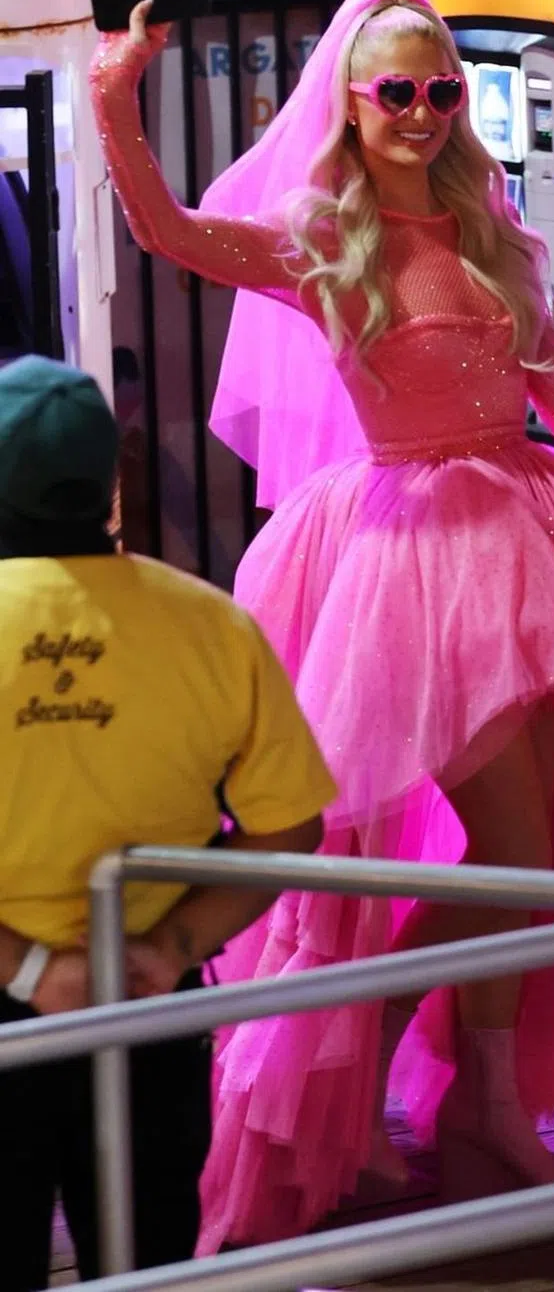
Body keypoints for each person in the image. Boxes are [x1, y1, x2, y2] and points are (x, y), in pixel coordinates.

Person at [89, 0, 554, 1250]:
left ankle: (480, 1109)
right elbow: (165, 231)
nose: (425, 111)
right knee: (515, 853)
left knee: (538, 855)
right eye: (398, 91)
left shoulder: (489, 225)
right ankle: (380, 1058)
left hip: (537, 547)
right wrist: (116, 93)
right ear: (351, 100)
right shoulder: (321, 240)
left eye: (443, 88)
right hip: (421, 565)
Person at [0, 354, 331, 1289]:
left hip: (11, 1006)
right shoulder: (209, 623)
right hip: (150, 997)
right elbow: (290, 828)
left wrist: (31, 970)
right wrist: (168, 946)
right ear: (111, 476)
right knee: (146, 1265)